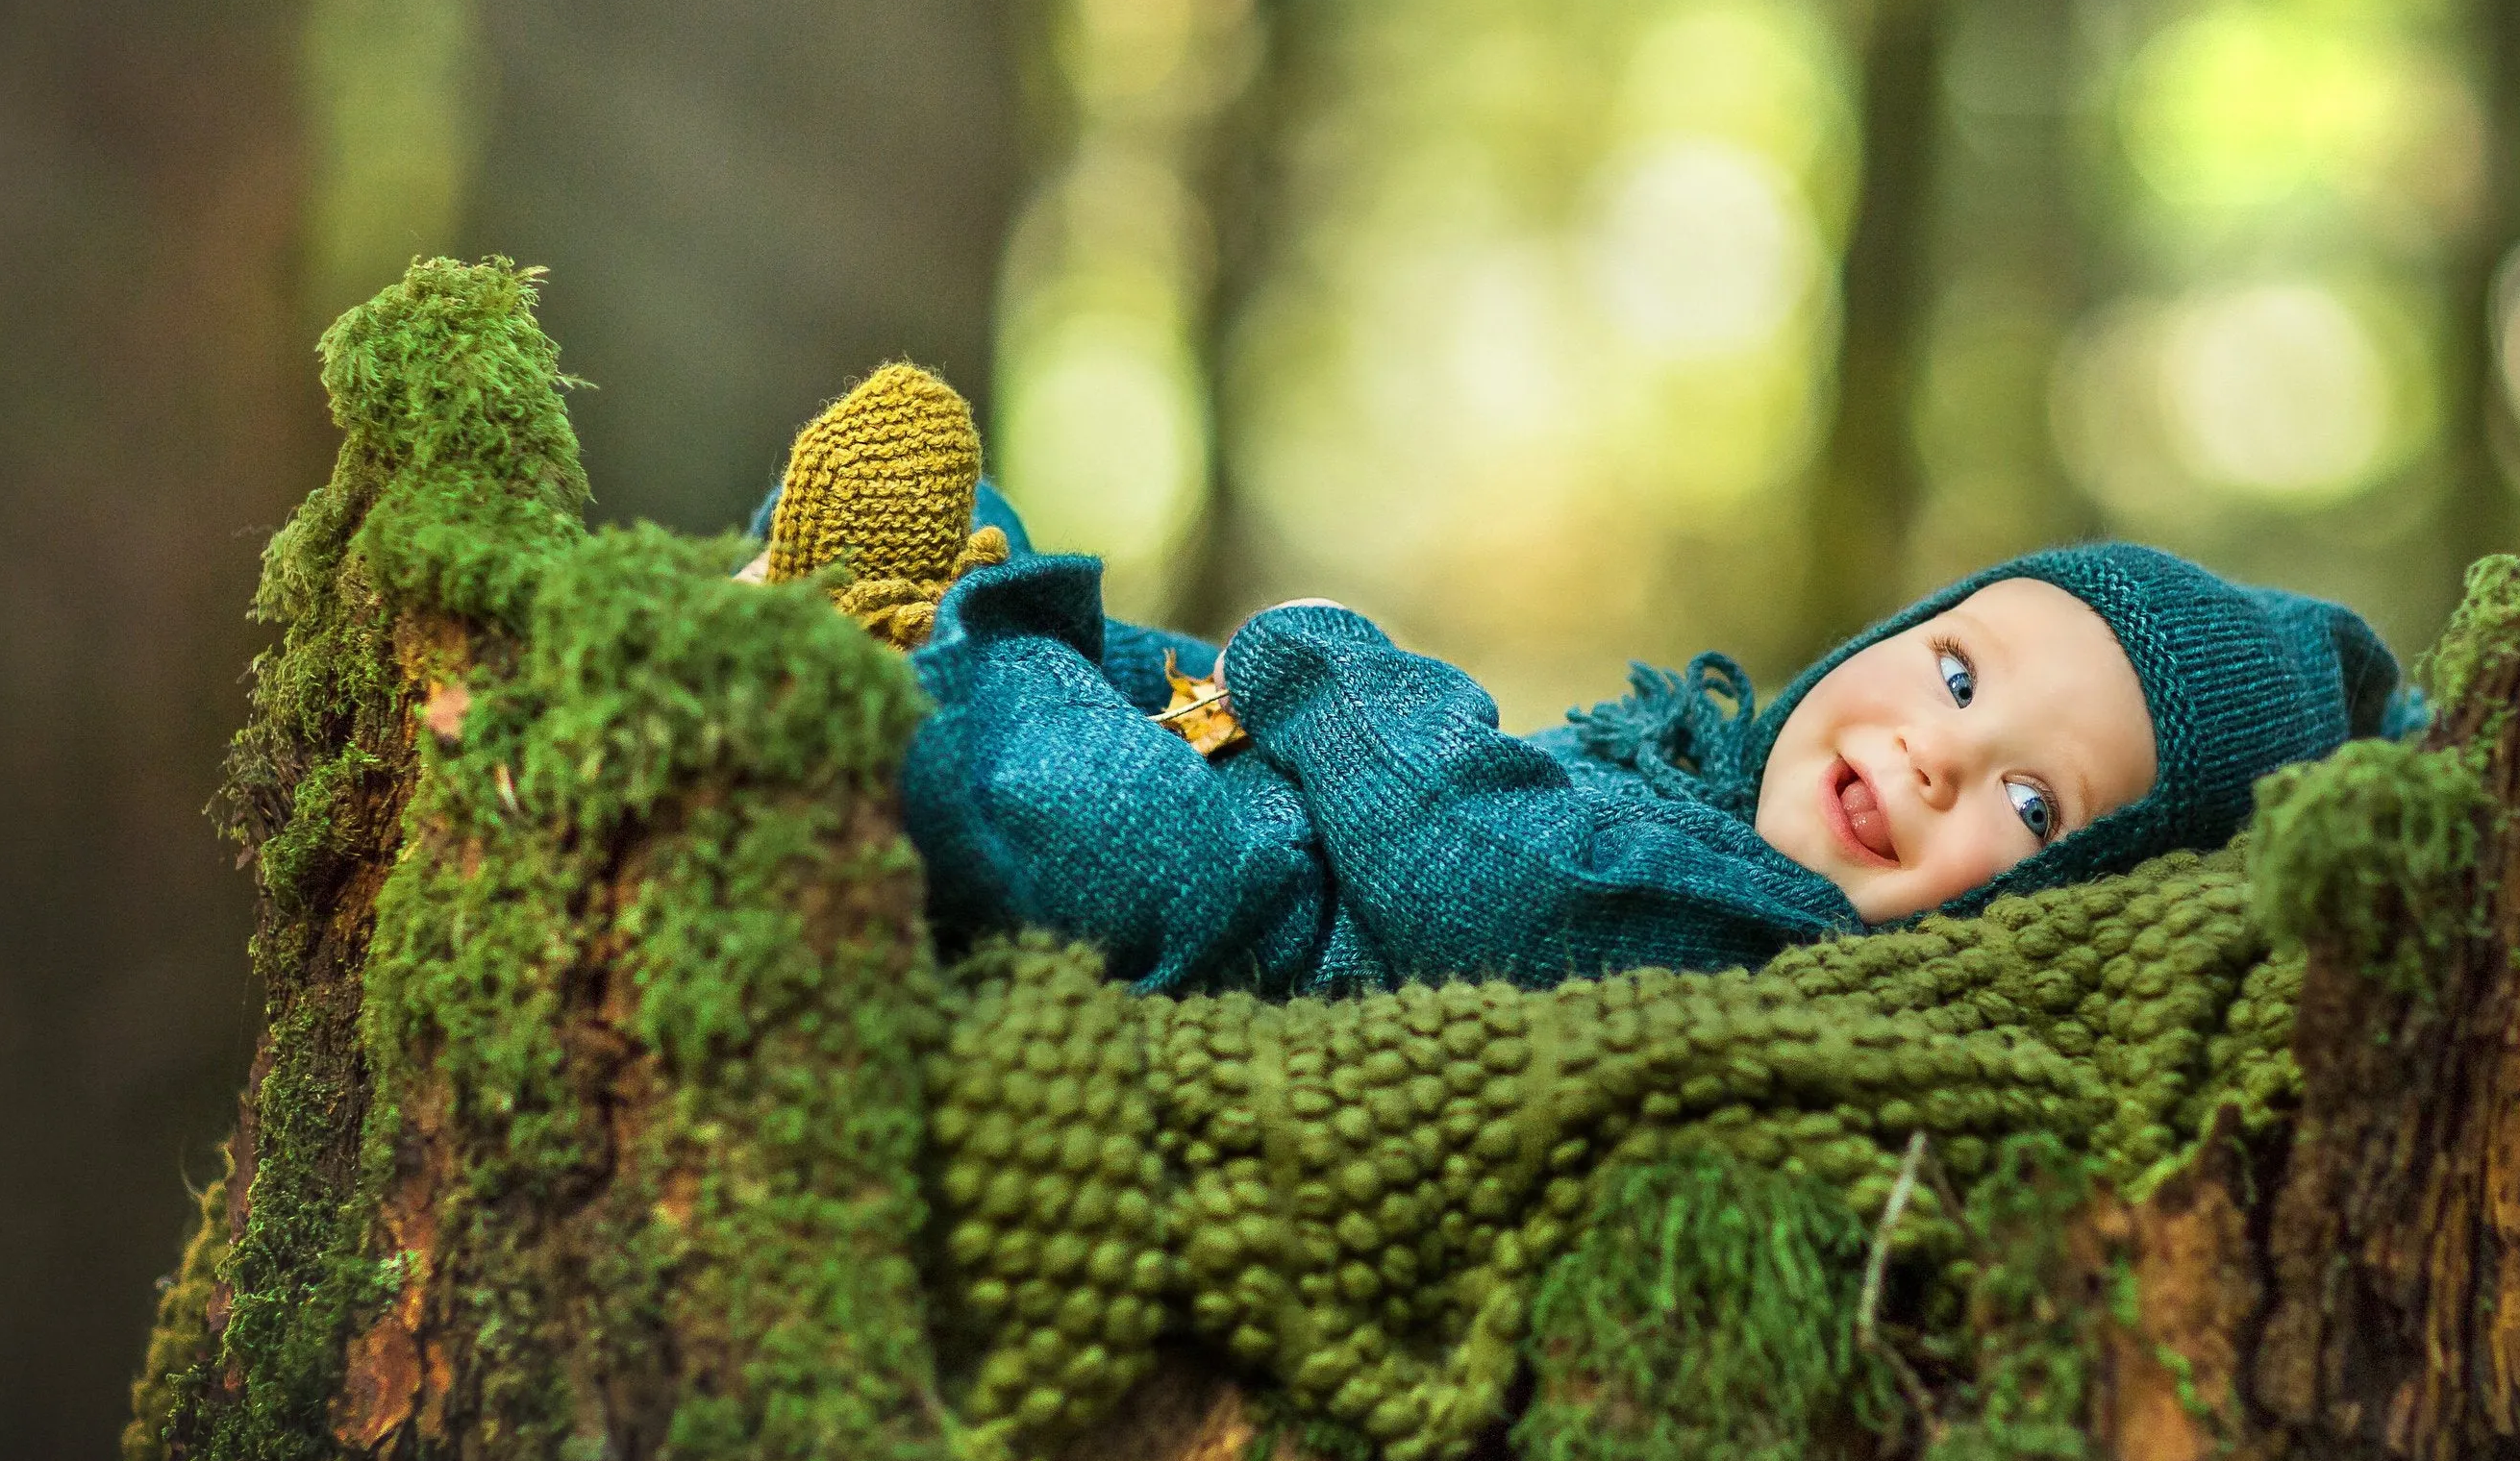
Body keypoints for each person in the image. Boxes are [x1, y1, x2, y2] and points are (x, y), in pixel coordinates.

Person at [746, 364, 2414, 996]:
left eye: (2036, 806)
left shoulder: (1760, 928)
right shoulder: (1696, 772)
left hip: (1274, 922)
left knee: (1122, 829)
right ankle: (926, 587)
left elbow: (1490, 876)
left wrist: (1330, 676)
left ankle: (897, 654)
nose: (1930, 762)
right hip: (1267, 797)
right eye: (1960, 675)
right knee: (1133, 665)